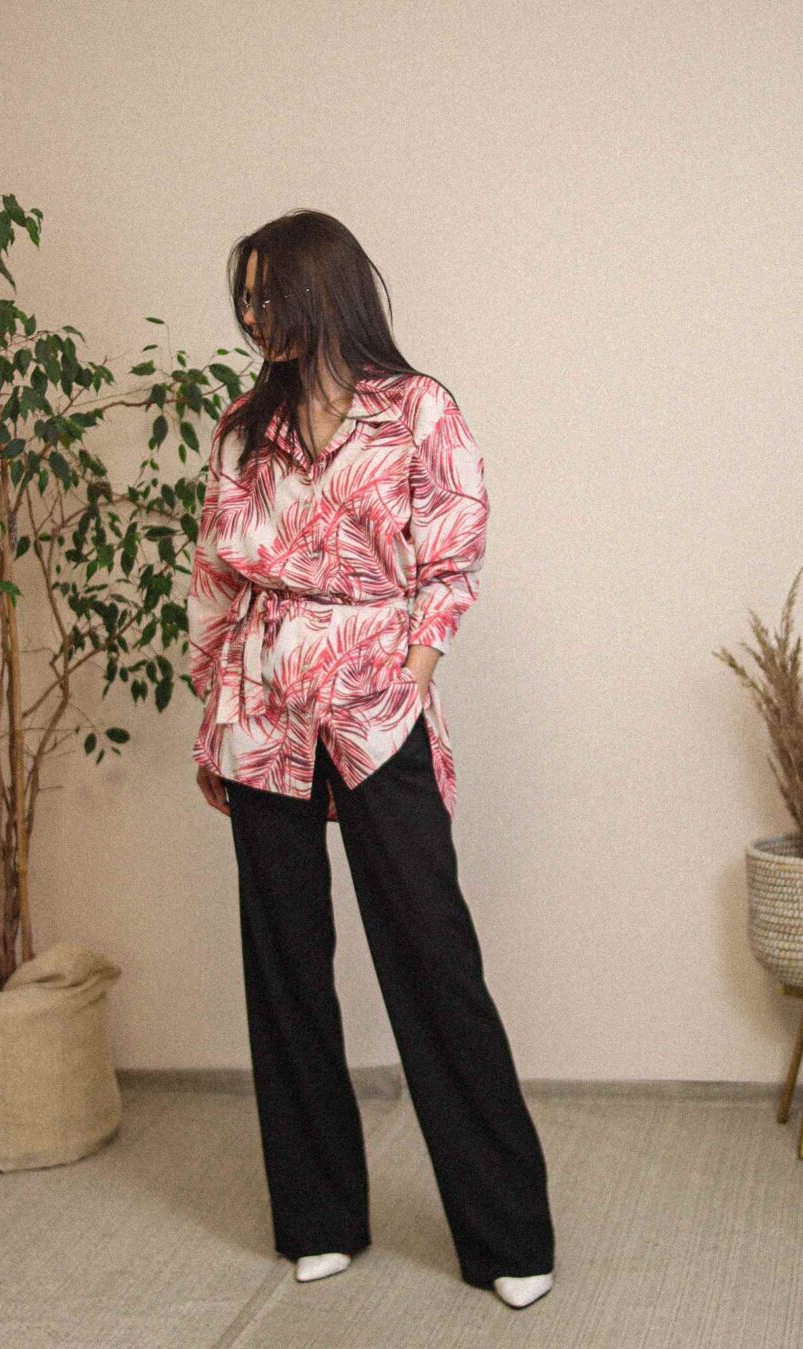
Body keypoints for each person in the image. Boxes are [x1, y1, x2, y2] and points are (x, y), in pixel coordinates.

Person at [186, 209, 556, 1309]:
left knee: (432, 956)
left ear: (325, 288)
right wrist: (216, 701)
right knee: (285, 964)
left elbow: (453, 553)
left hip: (377, 701)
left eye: (271, 293)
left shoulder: (417, 409)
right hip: (261, 710)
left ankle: (506, 1233)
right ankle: (318, 1215)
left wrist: (414, 669)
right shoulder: (244, 428)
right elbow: (215, 574)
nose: (256, 315)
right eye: (246, 297)